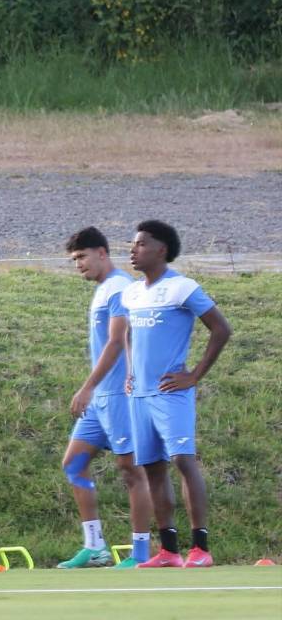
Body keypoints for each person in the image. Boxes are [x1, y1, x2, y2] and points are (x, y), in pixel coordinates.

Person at [123, 220, 232, 568]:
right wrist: (129, 372)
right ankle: (169, 551)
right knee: (152, 469)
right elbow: (128, 334)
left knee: (183, 461)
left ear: (161, 249)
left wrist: (194, 376)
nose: (132, 250)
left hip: (171, 393)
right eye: (132, 244)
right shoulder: (132, 292)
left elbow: (221, 329)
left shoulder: (182, 287)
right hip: (139, 395)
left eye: (140, 244)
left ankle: (201, 548)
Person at [57, 227, 154, 569]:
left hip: (119, 397)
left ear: (102, 252)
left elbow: (116, 342)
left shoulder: (121, 288)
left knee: (131, 470)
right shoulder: (102, 290)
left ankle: (141, 553)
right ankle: (95, 547)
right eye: (74, 260)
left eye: (81, 257)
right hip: (101, 400)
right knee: (74, 465)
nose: (78, 265)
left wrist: (86, 387)